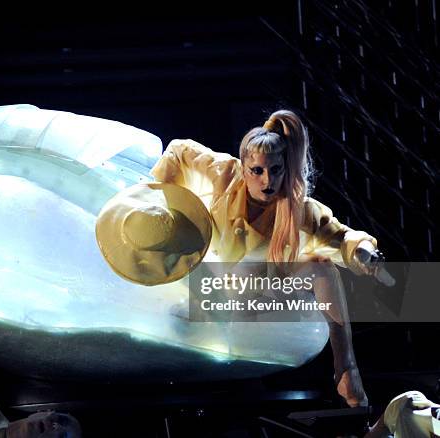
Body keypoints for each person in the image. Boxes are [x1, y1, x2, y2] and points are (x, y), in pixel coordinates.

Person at [149, 110, 385, 408]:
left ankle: (346, 370)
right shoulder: (223, 173)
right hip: (206, 286)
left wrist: (362, 250)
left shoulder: (299, 209)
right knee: (192, 243)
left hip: (254, 299)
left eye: (275, 170)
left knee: (321, 267)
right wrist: (161, 201)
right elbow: (179, 150)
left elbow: (339, 235)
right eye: (257, 171)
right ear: (244, 168)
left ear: (286, 170)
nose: (267, 180)